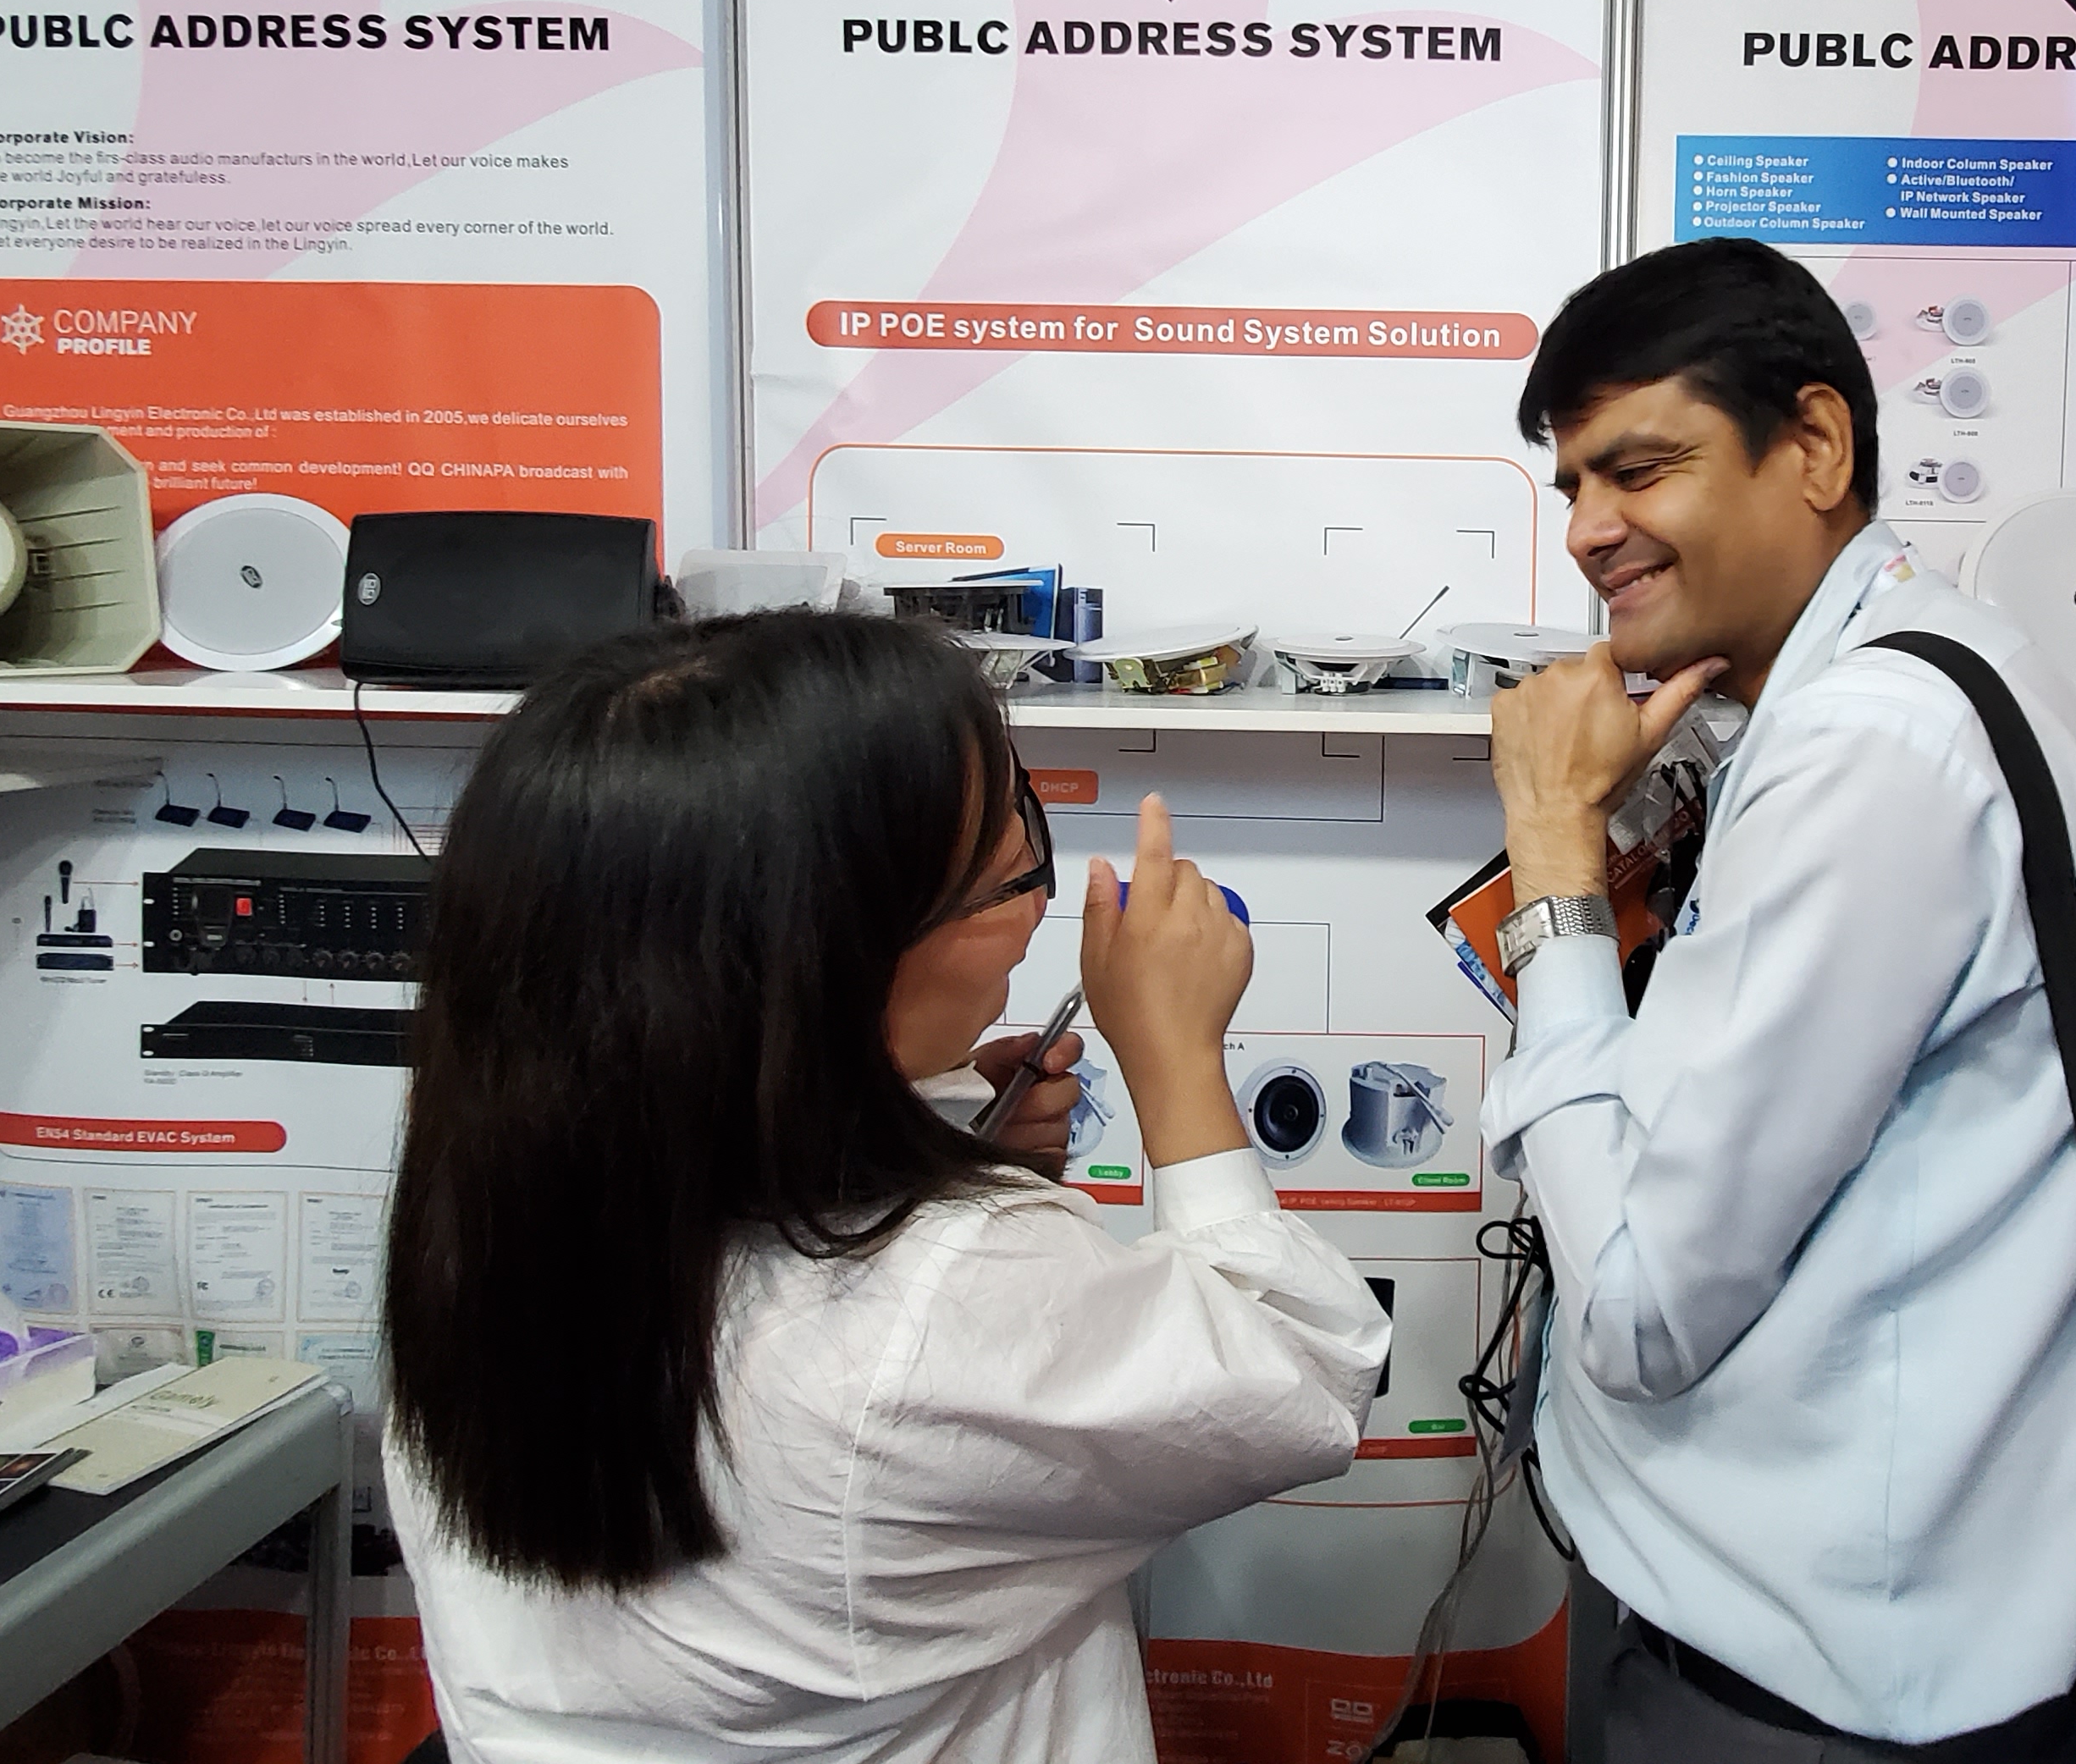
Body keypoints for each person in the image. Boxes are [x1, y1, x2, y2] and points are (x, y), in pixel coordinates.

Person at [384, 610, 1390, 1764]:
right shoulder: (942, 1296)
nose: (1037, 905)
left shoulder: (488, 1214)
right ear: (825, 964)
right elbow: (1298, 1377)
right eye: (1003, 875)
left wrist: (944, 1141)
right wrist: (1174, 1059)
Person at [1478, 238, 2076, 1760]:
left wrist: (1552, 851)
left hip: (1811, 1686)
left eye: (1639, 469)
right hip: (1857, 1627)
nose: (1589, 529)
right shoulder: (1919, 675)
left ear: (1814, 446)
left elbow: (1643, 1314)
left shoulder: (1872, 746)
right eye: (1573, 485)